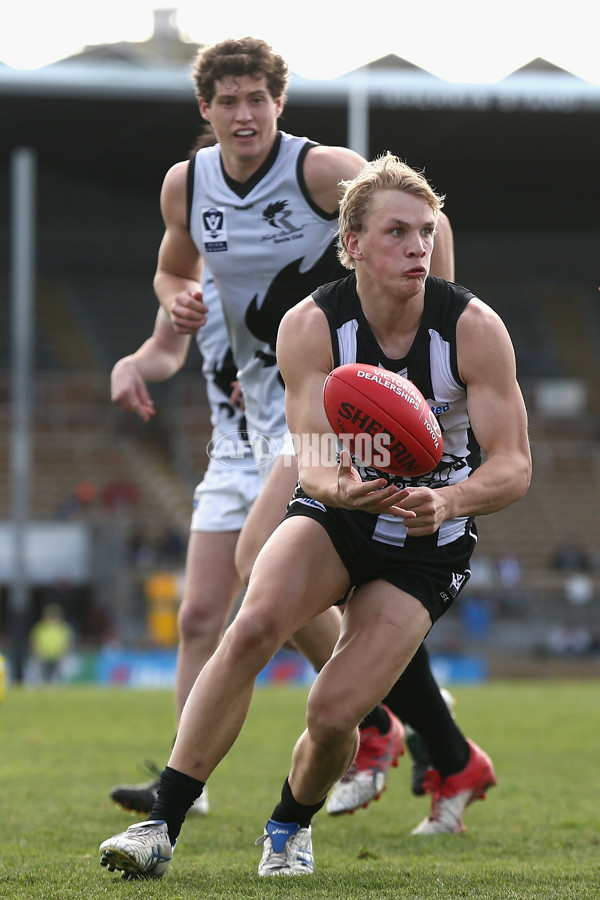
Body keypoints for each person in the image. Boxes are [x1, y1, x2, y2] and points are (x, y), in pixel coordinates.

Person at [101, 33, 490, 845]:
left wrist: (432, 328)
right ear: (205, 111)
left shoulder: (320, 170)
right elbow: (176, 278)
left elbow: (415, 215)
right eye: (228, 101)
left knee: (260, 572)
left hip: (324, 397)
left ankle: (373, 725)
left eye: (258, 99)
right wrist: (157, 335)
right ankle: (418, 743)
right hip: (240, 408)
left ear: (279, 103)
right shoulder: (189, 185)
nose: (245, 114)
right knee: (209, 609)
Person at [108, 272, 263, 816]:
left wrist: (279, 378)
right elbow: (166, 350)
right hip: (229, 457)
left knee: (283, 614)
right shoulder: (196, 264)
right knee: (198, 618)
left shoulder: (292, 241)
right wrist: (134, 364)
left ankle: (389, 714)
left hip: (293, 448)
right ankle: (187, 780)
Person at [29, 603, 74, 684]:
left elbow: (69, 642)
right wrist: (39, 653)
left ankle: (60, 685)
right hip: (42, 656)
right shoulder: (40, 627)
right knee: (38, 670)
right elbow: (34, 641)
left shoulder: (63, 627)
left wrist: (63, 653)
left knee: (63, 669)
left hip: (59, 656)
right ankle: (38, 684)